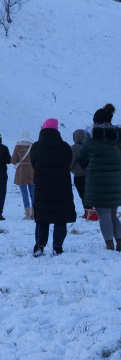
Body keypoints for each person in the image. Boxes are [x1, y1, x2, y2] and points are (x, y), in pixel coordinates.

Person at [77, 103, 121, 250]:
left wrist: (90, 167)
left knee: (104, 214)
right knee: (113, 213)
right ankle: (120, 241)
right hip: (116, 182)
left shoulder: (92, 137)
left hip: (98, 182)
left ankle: (109, 244)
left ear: (96, 122)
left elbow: (82, 158)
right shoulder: (118, 136)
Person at [30, 118, 77, 256]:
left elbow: (33, 164)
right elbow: (69, 162)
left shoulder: (36, 147)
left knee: (42, 219)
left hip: (42, 188)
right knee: (60, 218)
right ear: (57, 130)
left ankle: (39, 246)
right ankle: (57, 247)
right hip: (62, 189)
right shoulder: (65, 147)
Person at [12, 129, 35, 220]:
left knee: (24, 194)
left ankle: (28, 215)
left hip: (21, 173)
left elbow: (13, 161)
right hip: (32, 173)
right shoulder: (33, 145)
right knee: (33, 194)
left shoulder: (18, 146)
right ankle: (34, 214)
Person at [70, 128, 90, 219]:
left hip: (79, 176)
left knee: (83, 195)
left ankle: (88, 213)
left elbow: (71, 162)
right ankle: (90, 212)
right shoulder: (89, 146)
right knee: (89, 194)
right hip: (90, 175)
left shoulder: (74, 148)